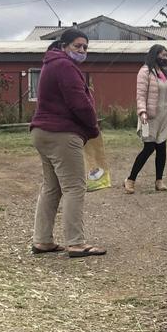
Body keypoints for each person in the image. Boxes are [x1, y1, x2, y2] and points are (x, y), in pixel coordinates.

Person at [29, 28, 106, 258]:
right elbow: (79, 104)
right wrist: (93, 127)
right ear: (64, 46)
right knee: (74, 187)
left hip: (41, 131)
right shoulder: (65, 66)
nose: (82, 50)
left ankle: (42, 240)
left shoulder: (50, 64)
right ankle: (76, 243)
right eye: (77, 46)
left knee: (51, 187)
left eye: (85, 47)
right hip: (62, 132)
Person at [124, 44, 167, 194]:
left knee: (162, 148)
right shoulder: (145, 72)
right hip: (149, 116)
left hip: (163, 116)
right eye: (163, 55)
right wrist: (142, 112)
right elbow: (140, 94)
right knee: (148, 148)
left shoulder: (166, 75)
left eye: (166, 55)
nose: (165, 58)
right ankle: (130, 180)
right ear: (155, 55)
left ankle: (159, 181)